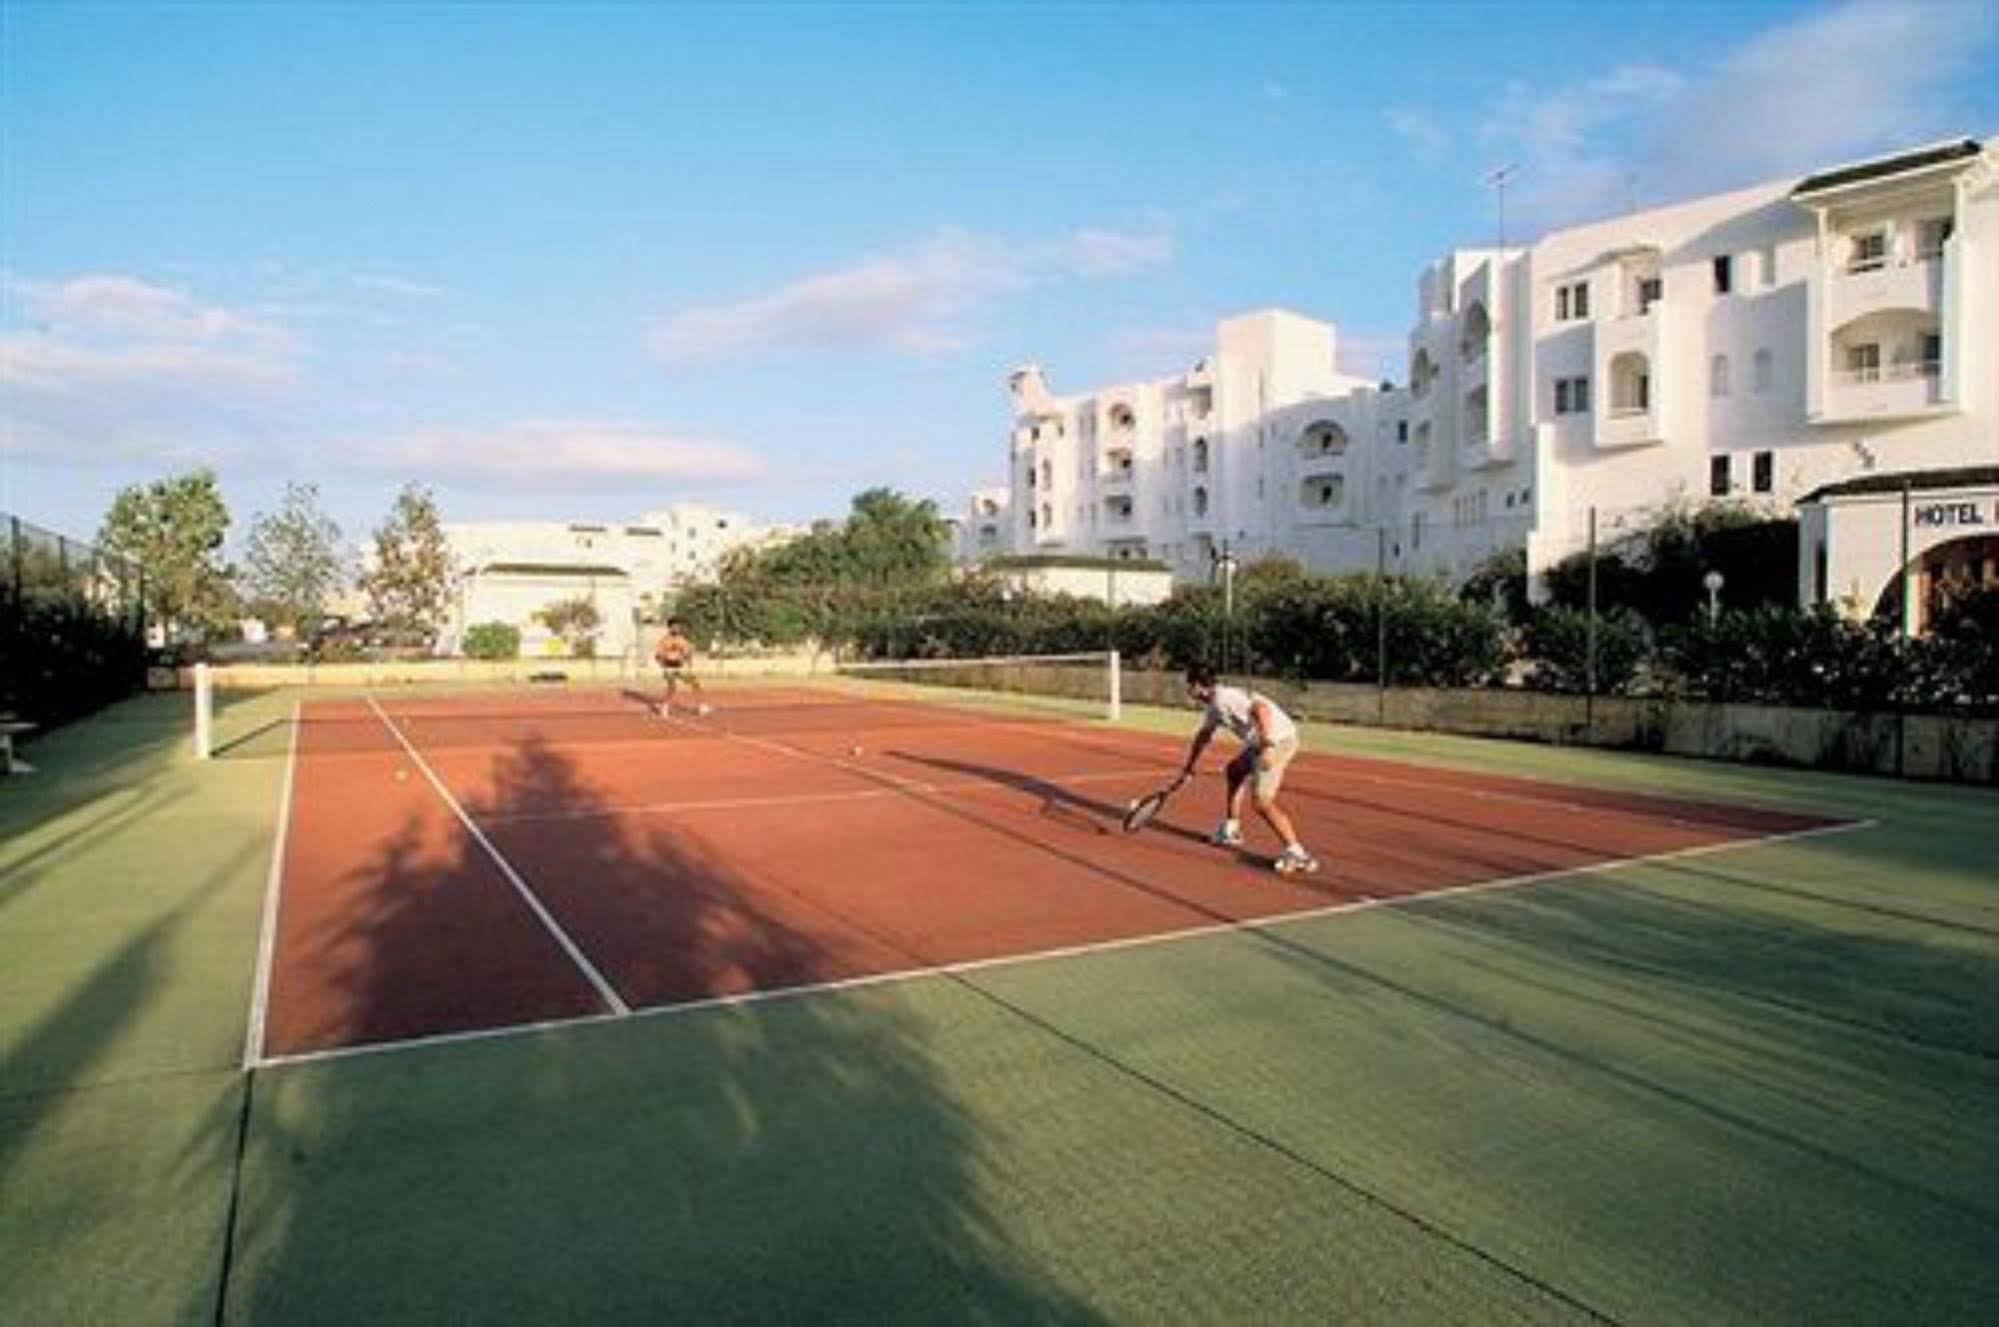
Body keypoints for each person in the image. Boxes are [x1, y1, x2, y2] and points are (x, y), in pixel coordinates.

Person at [1172, 662, 1319, 876]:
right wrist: (1189, 768)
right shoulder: (1215, 704)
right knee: (1234, 770)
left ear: (1197, 686)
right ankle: (1231, 829)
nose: (1188, 690)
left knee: (1261, 802)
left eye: (1189, 685)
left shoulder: (1224, 700)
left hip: (1278, 740)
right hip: (1259, 743)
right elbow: (1203, 737)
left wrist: (1268, 745)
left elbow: (1261, 709)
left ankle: (1298, 854)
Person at [653, 617, 711, 717]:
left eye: (678, 626)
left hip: (680, 666)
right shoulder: (664, 641)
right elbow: (658, 655)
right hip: (669, 667)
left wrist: (689, 663)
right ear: (670, 627)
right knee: (672, 687)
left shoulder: (682, 640)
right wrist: (662, 663)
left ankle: (701, 706)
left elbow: (687, 653)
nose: (676, 628)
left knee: (695, 684)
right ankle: (664, 706)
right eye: (674, 626)